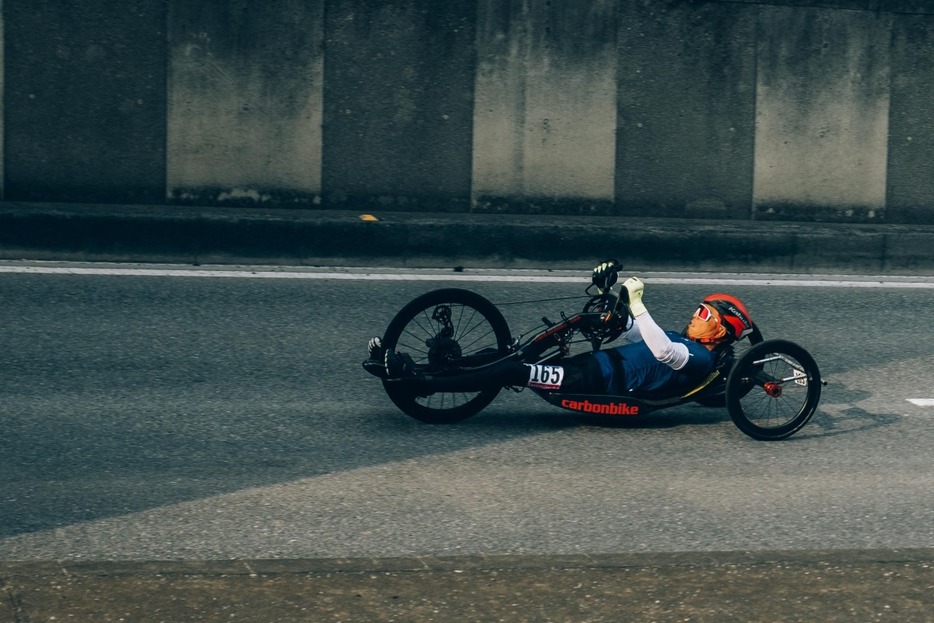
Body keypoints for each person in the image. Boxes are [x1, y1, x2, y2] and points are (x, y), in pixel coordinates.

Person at [371, 260, 753, 398]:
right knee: (503, 356)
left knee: (511, 371)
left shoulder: (699, 358)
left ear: (721, 332)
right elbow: (630, 332)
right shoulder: (679, 336)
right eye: (699, 308)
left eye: (705, 315)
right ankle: (428, 367)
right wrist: (610, 294)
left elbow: (661, 353)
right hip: (596, 366)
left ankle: (422, 384)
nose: (695, 315)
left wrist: (637, 303)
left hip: (596, 384)